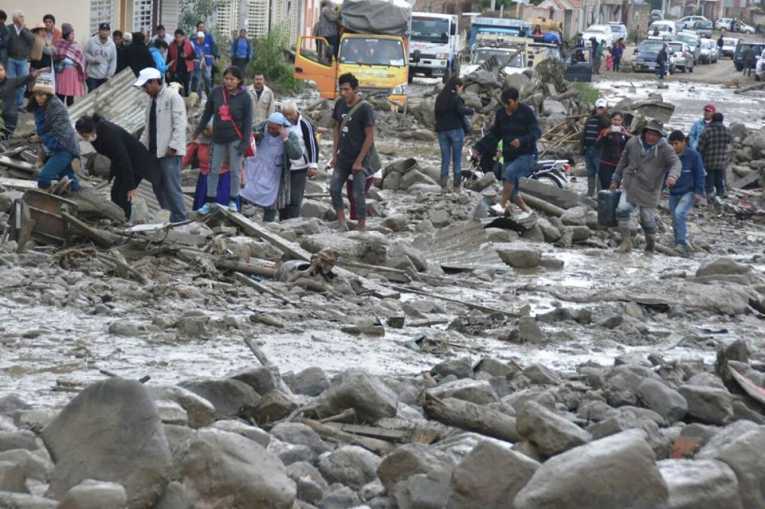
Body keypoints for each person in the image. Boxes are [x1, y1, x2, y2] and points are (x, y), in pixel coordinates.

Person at [610, 120, 681, 253]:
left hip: (650, 188)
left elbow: (676, 163)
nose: (651, 137)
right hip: (630, 184)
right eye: (649, 133)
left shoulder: (666, 149)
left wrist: (672, 176)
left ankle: (650, 244)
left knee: (647, 220)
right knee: (622, 210)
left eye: (655, 134)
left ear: (660, 136)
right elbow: (622, 161)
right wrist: (616, 178)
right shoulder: (632, 143)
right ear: (645, 132)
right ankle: (626, 242)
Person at [75, 114, 161, 219]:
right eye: (83, 135)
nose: (85, 138)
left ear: (92, 129)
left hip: (136, 164)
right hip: (123, 164)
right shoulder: (97, 134)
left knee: (124, 194)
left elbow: (124, 160)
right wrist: (112, 176)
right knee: (115, 192)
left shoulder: (109, 134)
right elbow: (114, 158)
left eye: (86, 135)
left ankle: (125, 220)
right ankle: (118, 218)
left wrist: (131, 186)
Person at [192, 66, 252, 214]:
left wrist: (245, 143)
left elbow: (248, 121)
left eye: (232, 79)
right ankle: (210, 202)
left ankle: (233, 201)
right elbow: (207, 113)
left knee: (235, 171)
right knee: (213, 169)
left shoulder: (245, 97)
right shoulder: (216, 93)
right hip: (218, 138)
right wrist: (197, 131)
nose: (229, 82)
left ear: (239, 80)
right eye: (226, 78)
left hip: (235, 139)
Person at [475, 87, 541, 216]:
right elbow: (494, 134)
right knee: (511, 190)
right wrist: (478, 147)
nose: (506, 107)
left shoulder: (526, 112)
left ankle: (501, 205)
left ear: (515, 101)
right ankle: (529, 212)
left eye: (508, 104)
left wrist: (521, 141)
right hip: (508, 155)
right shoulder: (501, 114)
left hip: (527, 155)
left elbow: (536, 132)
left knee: (510, 173)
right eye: (504, 104)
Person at [135, 67, 188, 222]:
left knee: (172, 187)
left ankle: (180, 218)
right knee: (157, 185)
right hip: (154, 150)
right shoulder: (151, 100)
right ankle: (168, 215)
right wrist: (140, 147)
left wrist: (174, 145)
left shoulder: (173, 97)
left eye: (146, 86)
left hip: (169, 151)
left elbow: (180, 124)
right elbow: (148, 127)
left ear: (154, 82)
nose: (145, 89)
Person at [330, 73, 375, 231]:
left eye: (346, 90)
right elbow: (336, 128)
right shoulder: (339, 104)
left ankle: (361, 227)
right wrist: (334, 154)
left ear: (355, 89)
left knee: (358, 194)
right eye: (341, 89)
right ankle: (342, 223)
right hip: (343, 157)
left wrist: (359, 161)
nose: (343, 93)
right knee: (334, 188)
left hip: (361, 158)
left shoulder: (365, 108)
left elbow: (370, 136)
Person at [241, 112, 303, 221]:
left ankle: (268, 224)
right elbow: (246, 135)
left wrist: (286, 140)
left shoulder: (290, 134)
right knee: (244, 191)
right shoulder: (261, 128)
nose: (270, 130)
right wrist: (253, 137)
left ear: (281, 127)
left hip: (275, 172)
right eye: (269, 127)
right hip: (255, 168)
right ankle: (239, 217)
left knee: (271, 201)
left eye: (274, 129)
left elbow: (297, 154)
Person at [28, 77, 80, 192]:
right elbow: (42, 132)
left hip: (64, 147)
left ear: (49, 95)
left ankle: (47, 200)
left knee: (43, 178)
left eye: (43, 95)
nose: (39, 98)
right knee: (69, 179)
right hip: (53, 147)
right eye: (37, 95)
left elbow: (60, 133)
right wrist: (40, 157)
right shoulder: (39, 108)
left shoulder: (57, 109)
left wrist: (40, 138)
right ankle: (76, 194)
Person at [667, 130, 706, 257]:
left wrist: (699, 192)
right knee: (674, 217)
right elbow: (663, 173)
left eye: (676, 144)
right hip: (673, 192)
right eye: (671, 144)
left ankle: (681, 243)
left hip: (688, 191)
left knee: (679, 213)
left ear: (684, 142)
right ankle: (677, 241)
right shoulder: (670, 156)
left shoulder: (693, 155)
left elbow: (700, 174)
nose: (674, 147)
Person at [281, 101, 319, 219]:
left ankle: (293, 221)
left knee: (295, 196)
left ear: (296, 112)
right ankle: (283, 220)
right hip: (283, 165)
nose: (288, 117)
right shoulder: (281, 122)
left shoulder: (304, 124)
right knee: (283, 195)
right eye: (285, 114)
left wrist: (313, 165)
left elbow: (312, 144)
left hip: (300, 165)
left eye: (290, 114)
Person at [435, 76, 471, 192]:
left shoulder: (440, 97)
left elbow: (436, 114)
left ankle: (443, 185)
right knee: (457, 159)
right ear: (457, 86)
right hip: (455, 130)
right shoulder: (457, 98)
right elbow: (461, 111)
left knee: (445, 159)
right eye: (461, 87)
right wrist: (471, 111)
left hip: (442, 131)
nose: (462, 90)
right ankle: (456, 185)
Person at [698, 112, 732, 201]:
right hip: (721, 161)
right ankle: (720, 197)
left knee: (709, 182)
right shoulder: (727, 131)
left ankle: (710, 199)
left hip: (709, 161)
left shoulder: (707, 131)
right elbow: (730, 142)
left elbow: (700, 147)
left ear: (712, 120)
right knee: (719, 181)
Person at [5, 11, 35, 109]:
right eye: (20, 17)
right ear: (14, 19)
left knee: (22, 83)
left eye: (22, 17)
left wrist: (22, 29)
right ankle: (11, 104)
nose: (22, 18)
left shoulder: (25, 30)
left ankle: (19, 104)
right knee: (11, 82)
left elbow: (31, 39)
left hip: (22, 60)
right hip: (10, 60)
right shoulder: (8, 28)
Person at [0, 63, 37, 139]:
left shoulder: (11, 82)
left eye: (1, 70)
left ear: (5, 71)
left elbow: (26, 78)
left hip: (10, 116)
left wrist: (34, 74)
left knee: (6, 138)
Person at [53, 24, 87, 106]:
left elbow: (81, 58)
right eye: (71, 34)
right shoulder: (59, 44)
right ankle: (59, 114)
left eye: (73, 33)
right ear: (66, 35)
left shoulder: (76, 45)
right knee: (60, 95)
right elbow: (57, 55)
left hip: (73, 74)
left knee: (70, 97)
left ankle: (70, 113)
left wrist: (76, 63)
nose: (73, 35)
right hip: (62, 73)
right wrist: (70, 61)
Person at [582, 98, 609, 196]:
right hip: (588, 148)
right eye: (599, 108)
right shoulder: (590, 118)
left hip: (599, 150)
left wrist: (601, 115)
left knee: (600, 172)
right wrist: (582, 147)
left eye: (602, 108)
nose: (600, 109)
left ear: (606, 109)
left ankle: (600, 194)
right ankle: (590, 193)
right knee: (590, 172)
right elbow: (584, 133)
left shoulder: (606, 119)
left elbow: (606, 125)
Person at [596, 111, 629, 191]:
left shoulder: (624, 132)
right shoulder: (605, 131)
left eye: (619, 120)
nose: (617, 122)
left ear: (622, 121)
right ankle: (604, 202)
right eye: (615, 120)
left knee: (615, 187)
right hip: (605, 163)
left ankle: (612, 203)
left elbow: (628, 147)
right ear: (611, 120)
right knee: (606, 185)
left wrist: (627, 136)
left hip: (618, 165)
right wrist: (605, 134)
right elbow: (597, 145)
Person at [84, 23, 117, 92]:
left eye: (106, 30)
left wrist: (110, 74)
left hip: (105, 76)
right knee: (92, 96)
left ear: (109, 32)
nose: (104, 32)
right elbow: (85, 53)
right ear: (99, 31)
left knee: (102, 97)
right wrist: (92, 60)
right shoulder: (91, 41)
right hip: (92, 75)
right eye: (102, 30)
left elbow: (113, 61)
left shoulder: (111, 45)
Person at [167, 29, 194, 96]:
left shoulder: (188, 44)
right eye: (176, 37)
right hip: (175, 69)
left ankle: (186, 103)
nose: (178, 39)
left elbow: (193, 56)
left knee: (186, 87)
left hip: (186, 69)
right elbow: (169, 58)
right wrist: (168, 70)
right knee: (176, 88)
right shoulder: (171, 45)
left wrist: (187, 56)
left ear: (183, 37)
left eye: (179, 37)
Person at [191, 31, 213, 97]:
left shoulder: (207, 45)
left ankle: (209, 95)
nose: (201, 39)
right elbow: (193, 54)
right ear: (197, 38)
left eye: (202, 38)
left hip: (207, 65)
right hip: (198, 66)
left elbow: (210, 53)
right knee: (198, 81)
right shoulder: (194, 45)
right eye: (199, 38)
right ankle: (198, 97)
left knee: (208, 79)